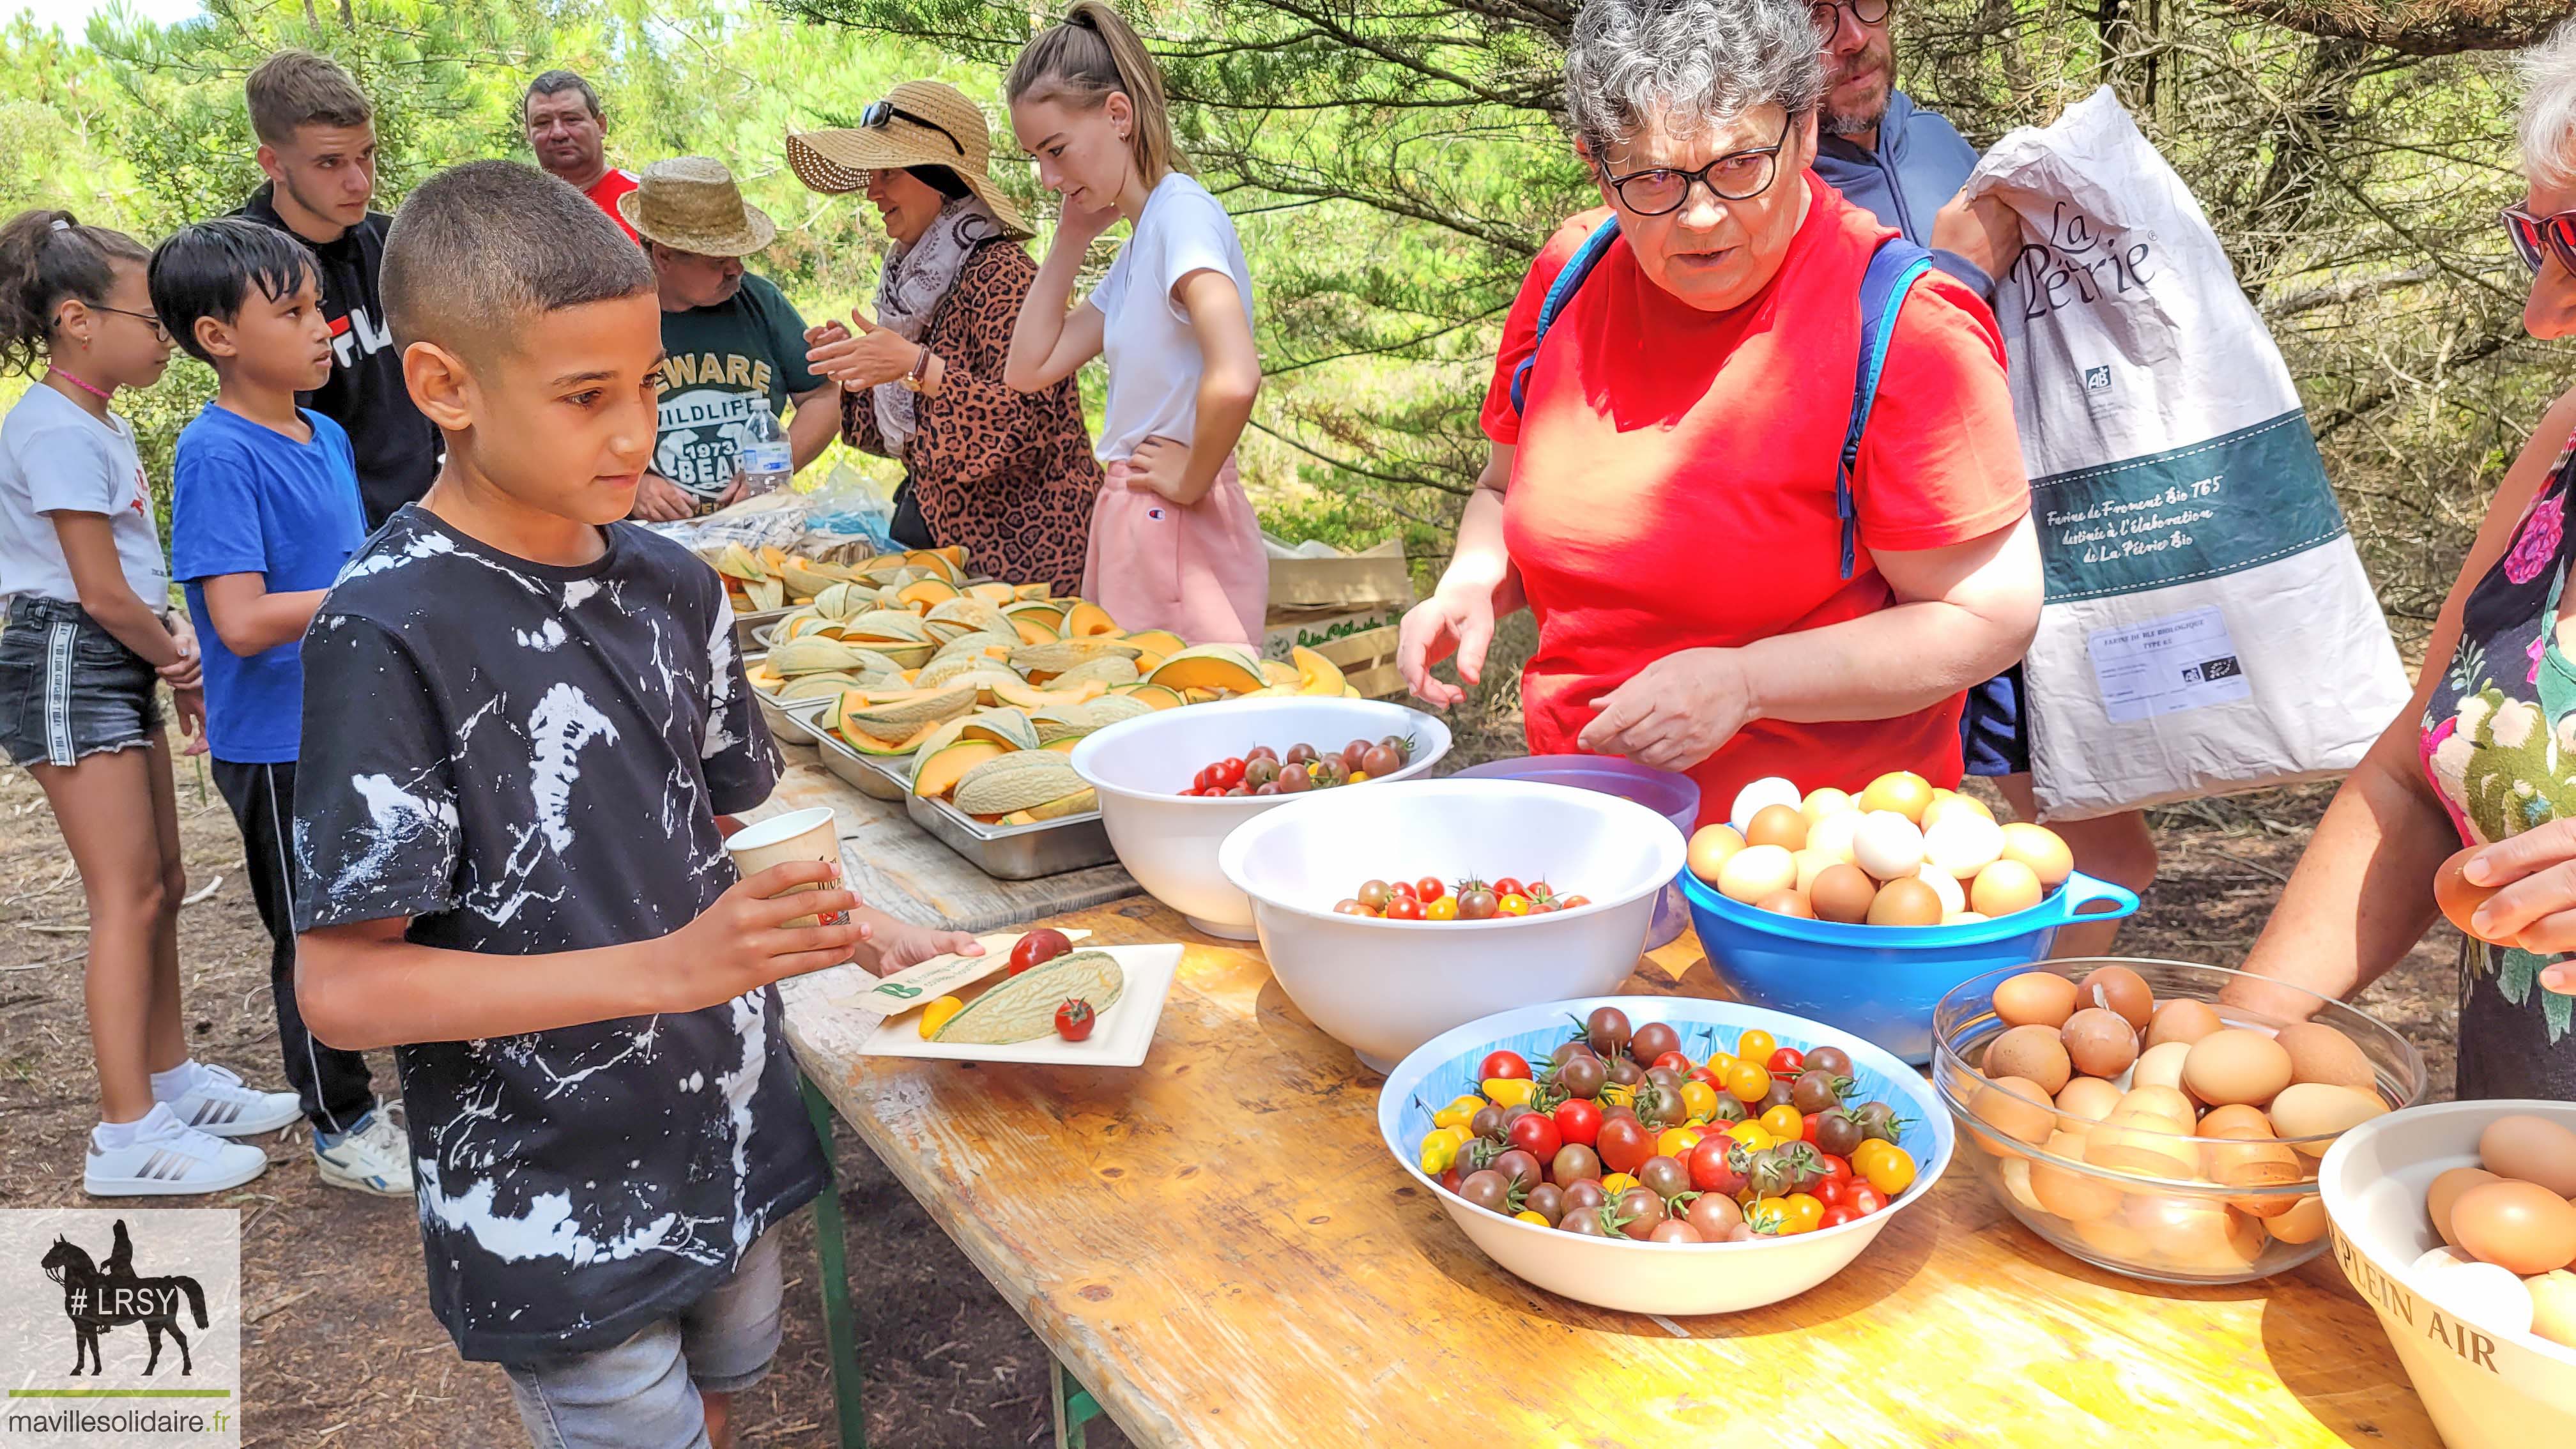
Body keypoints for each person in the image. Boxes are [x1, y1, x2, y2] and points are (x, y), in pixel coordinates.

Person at [290, 160, 978, 1448]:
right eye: (585, 396)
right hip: (554, 1196)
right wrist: (667, 969)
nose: (634, 434)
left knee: (722, 1393)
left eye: (648, 386)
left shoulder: (676, 585)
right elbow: (344, 989)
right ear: (444, 387)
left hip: (729, 1133)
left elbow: (735, 825)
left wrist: (871, 924)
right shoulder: (389, 630)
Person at [1397, 0, 2041, 829]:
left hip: (1812, 875)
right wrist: (1477, 575)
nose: (1700, 216)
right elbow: (1500, 491)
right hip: (1591, 839)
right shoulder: (1571, 275)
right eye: (1655, 177)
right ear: (1596, 165)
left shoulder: (1905, 328)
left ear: (1805, 131)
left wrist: (1747, 683)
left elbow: (1990, 615)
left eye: (1739, 164)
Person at [2240, 22, 2576, 1101]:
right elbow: (2412, 776)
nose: (2540, 315)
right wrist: (2225, 1048)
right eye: (2540, 240)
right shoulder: (2563, 449)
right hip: (2506, 1232)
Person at [1805, 0, 2157, 956]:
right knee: (1851, 871)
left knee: (2111, 862)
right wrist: (1955, 276)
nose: (1849, 38)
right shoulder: (1768, 196)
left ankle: (2021, 1052)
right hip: (1875, 591)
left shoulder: (1942, 144)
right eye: (1809, 13)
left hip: (2011, 549)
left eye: (1864, 4)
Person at [0, 208, 296, 1197]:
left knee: (163, 880)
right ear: (79, 321)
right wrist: (178, 659)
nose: (162, 333)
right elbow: (95, 587)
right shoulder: (48, 428)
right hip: (67, 656)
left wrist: (162, 652)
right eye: (147, 317)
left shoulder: (100, 419)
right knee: (124, 897)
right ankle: (126, 1135)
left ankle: (170, 1082)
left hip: (113, 648)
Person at [150, 218, 406, 1197]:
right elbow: (244, 619)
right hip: (274, 742)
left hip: (348, 722)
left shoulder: (327, 432)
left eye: (319, 306)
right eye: (293, 311)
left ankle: (385, 1084)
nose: (323, 330)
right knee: (312, 934)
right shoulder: (216, 453)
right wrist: (376, 584)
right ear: (218, 336)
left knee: (380, 909)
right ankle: (340, 1121)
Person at [1003, 2, 1268, 645]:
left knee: (1180, 726)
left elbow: (1236, 375)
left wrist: (1193, 475)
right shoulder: (1144, 240)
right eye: (1038, 158)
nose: (1047, 177)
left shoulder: (1182, 217)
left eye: (1057, 150)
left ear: (1118, 115)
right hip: (1139, 518)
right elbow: (1029, 368)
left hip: (1170, 519)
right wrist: (1069, 237)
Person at [792, 81, 1102, 596]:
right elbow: (895, 438)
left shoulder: (1002, 274)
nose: (873, 193)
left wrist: (915, 366)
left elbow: (1024, 426)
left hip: (1031, 564)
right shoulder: (912, 287)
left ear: (940, 181)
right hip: (955, 558)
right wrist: (856, 370)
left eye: (888, 173)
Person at [231, 49, 440, 528]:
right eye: (329, 163)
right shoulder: (240, 270)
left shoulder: (399, 243)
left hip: (435, 514)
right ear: (274, 164)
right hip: (330, 538)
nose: (358, 181)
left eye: (366, 154)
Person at [625, 157, 839, 521]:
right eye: (717, 260)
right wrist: (633, 487)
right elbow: (568, 428)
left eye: (738, 254)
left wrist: (778, 466)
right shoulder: (614, 314)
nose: (735, 269)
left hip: (753, 526)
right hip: (651, 539)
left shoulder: (759, 302)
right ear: (663, 257)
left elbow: (822, 396)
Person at [523, 68, 641, 242]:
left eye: (571, 119)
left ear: (601, 125)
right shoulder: (517, 211)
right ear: (528, 132)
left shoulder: (644, 199)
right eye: (543, 123)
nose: (558, 133)